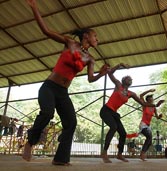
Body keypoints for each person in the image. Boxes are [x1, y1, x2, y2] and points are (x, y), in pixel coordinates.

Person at [23, 0, 109, 166]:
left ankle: (61, 159)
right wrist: (35, 9)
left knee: (71, 122)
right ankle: (30, 142)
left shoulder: (91, 58)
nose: (97, 39)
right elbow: (46, 31)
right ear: (86, 36)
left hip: (63, 92)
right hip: (49, 87)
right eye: (95, 35)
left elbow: (91, 79)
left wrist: (102, 74)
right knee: (47, 113)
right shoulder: (70, 43)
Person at [100, 63, 161, 163]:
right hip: (106, 110)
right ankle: (104, 152)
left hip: (114, 113)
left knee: (123, 133)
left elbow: (142, 103)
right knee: (114, 127)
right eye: (128, 78)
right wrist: (119, 65)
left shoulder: (130, 94)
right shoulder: (118, 85)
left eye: (131, 79)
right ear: (124, 80)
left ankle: (119, 154)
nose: (130, 79)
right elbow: (110, 73)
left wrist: (155, 105)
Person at [139, 89, 164, 161]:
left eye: (152, 99)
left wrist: (160, 116)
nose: (152, 100)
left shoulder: (153, 108)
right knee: (149, 137)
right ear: (147, 100)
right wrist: (149, 90)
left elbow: (157, 118)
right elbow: (141, 95)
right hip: (143, 124)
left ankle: (142, 153)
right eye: (150, 99)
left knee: (149, 142)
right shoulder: (144, 105)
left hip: (148, 126)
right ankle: (143, 153)